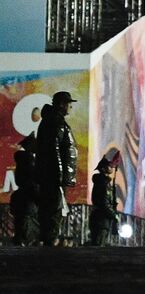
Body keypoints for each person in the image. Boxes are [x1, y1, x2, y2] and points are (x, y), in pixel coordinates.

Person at [35, 91, 79, 246]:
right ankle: (49, 238)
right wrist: (60, 176)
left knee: (53, 207)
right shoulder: (55, 122)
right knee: (54, 208)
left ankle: (48, 237)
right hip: (54, 177)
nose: (70, 108)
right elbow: (55, 151)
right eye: (69, 104)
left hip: (52, 175)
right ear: (62, 104)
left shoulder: (52, 121)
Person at [10, 134, 38, 246]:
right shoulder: (29, 162)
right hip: (28, 200)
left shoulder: (22, 161)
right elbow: (31, 182)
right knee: (26, 228)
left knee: (20, 226)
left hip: (22, 198)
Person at [88, 155, 118, 246]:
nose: (112, 168)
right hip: (101, 218)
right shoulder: (103, 183)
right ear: (103, 168)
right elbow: (104, 202)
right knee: (99, 245)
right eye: (109, 166)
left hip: (100, 217)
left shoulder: (102, 181)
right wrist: (113, 215)